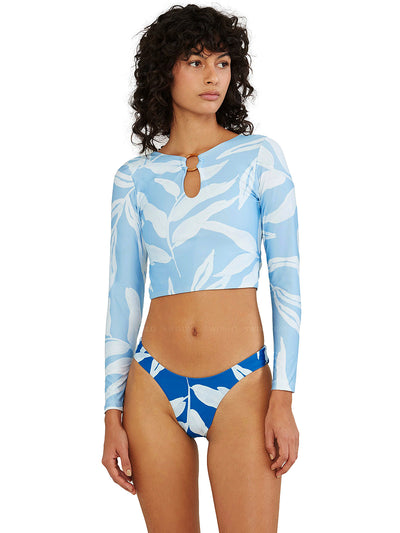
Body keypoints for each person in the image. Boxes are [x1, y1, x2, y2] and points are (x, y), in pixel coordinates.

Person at [102, 4, 301, 532]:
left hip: (242, 384)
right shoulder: (134, 178)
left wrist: (283, 395)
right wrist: (111, 413)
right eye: (195, 61)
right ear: (164, 70)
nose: (213, 75)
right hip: (151, 387)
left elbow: (286, 280)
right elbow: (123, 293)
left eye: (223, 62)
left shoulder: (259, 157)